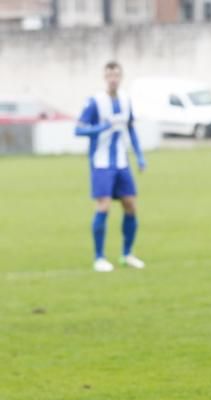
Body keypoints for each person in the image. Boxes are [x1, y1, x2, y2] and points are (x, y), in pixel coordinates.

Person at [75, 61, 147, 273]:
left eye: (116, 75)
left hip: (122, 162)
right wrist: (101, 127)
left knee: (130, 205)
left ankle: (127, 254)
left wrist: (140, 156)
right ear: (104, 77)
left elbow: (130, 129)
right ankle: (99, 257)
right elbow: (78, 130)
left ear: (121, 77)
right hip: (101, 162)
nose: (113, 79)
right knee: (104, 205)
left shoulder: (126, 100)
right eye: (109, 75)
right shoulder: (95, 102)